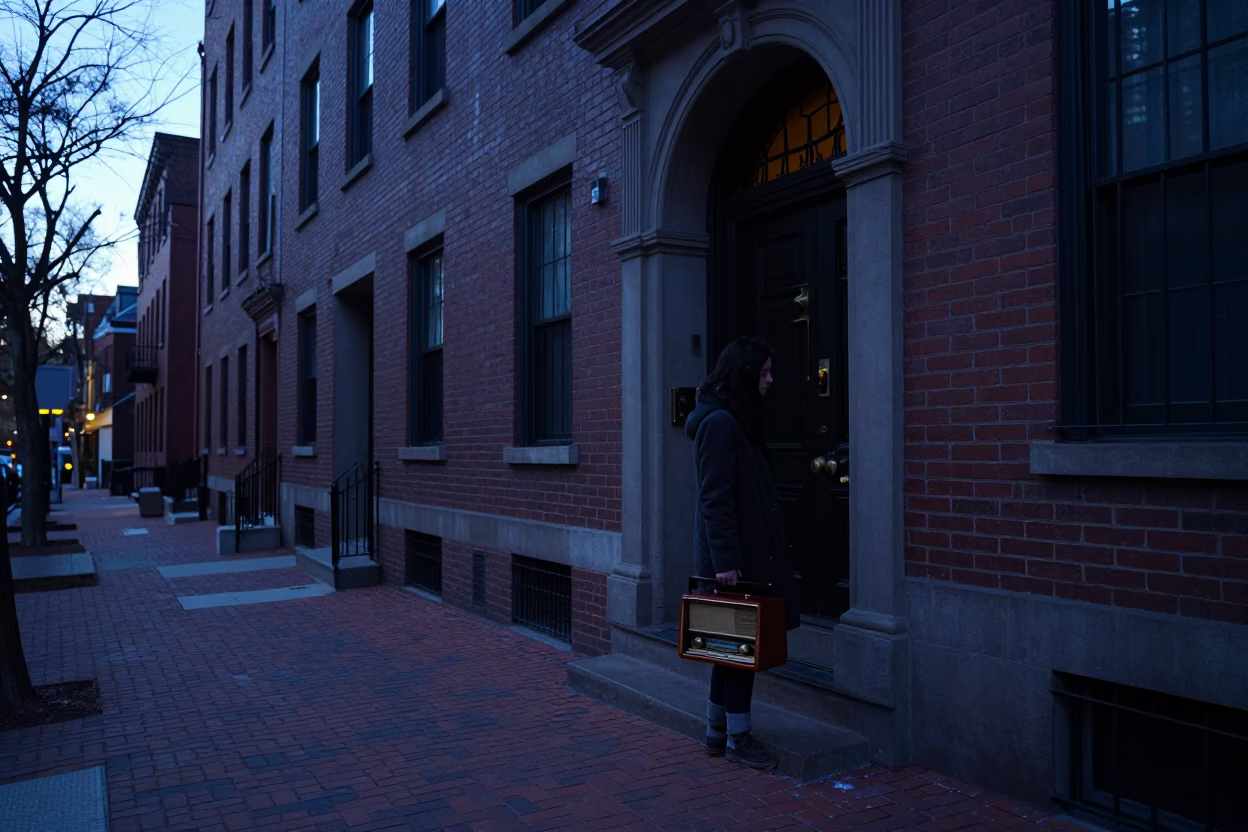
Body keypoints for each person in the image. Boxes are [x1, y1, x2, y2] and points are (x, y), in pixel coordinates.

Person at [684, 336, 799, 770]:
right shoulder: (720, 425)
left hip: (741, 555)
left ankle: (716, 731)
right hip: (732, 563)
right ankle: (739, 738)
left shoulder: (732, 420)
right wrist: (726, 562)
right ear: (746, 376)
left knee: (727, 646)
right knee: (738, 653)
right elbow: (715, 498)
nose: (771, 380)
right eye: (765, 372)